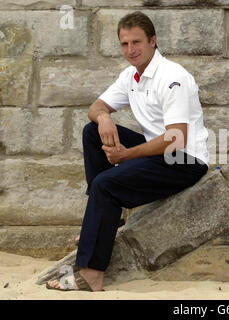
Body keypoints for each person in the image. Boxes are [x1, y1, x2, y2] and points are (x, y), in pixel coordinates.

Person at [46, 11, 209, 291]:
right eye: (124, 44)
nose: (131, 50)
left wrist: (126, 156)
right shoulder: (131, 76)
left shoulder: (172, 77)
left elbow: (176, 140)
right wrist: (106, 118)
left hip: (184, 159)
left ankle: (92, 274)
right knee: (92, 131)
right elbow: (95, 108)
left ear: (153, 41)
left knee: (105, 184)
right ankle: (112, 217)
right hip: (158, 152)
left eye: (137, 42)